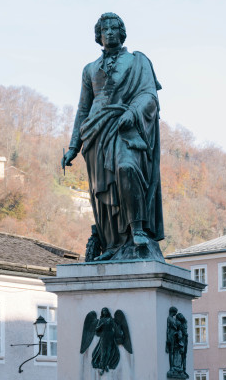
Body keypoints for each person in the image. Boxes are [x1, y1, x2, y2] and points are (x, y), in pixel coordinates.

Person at [62, 13, 164, 261]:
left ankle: (137, 228)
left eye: (114, 28)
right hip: (95, 133)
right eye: (104, 28)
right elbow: (83, 108)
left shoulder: (137, 61)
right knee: (102, 189)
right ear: (98, 35)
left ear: (122, 32)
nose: (109, 32)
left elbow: (150, 96)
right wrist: (74, 145)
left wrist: (133, 111)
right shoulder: (89, 69)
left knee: (126, 167)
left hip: (125, 127)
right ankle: (111, 244)